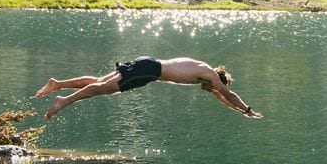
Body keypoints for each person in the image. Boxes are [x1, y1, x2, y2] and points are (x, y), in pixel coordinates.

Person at [35, 56, 262, 120]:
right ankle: (62, 101)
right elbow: (228, 94)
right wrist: (248, 109)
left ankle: (57, 84)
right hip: (149, 71)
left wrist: (241, 113)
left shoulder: (203, 72)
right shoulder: (209, 75)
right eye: (217, 85)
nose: (211, 89)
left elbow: (221, 97)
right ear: (219, 79)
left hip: (147, 64)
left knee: (97, 80)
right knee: (102, 88)